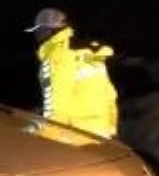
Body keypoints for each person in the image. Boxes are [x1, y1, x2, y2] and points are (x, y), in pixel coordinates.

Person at [25, 7, 119, 139]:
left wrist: (42, 137)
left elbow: (57, 108)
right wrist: (112, 132)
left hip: (74, 136)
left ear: (47, 30)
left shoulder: (57, 57)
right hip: (102, 136)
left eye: (38, 31)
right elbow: (110, 95)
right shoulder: (89, 54)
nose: (36, 37)